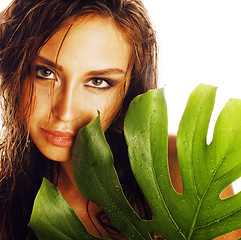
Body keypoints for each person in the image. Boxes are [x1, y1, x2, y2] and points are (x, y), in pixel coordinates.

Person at [0, 1, 240, 240]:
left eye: (98, 82)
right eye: (45, 72)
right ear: (14, 70)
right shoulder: (5, 198)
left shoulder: (180, 170)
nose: (65, 111)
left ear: (128, 88)